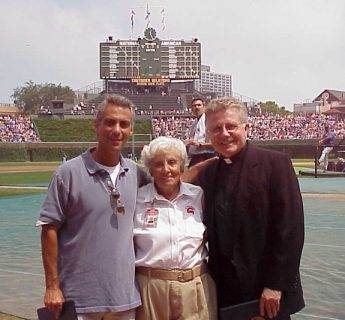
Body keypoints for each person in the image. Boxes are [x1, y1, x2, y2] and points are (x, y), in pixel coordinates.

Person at [37, 95, 149, 320]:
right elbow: (49, 229)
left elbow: (171, 183)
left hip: (124, 299)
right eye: (110, 122)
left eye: (124, 124)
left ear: (131, 130)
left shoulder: (137, 174)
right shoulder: (67, 173)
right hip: (78, 300)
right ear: (96, 125)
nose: (117, 129)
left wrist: (208, 164)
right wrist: (52, 286)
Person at [191, 97, 305, 319]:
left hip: (265, 291)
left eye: (231, 126)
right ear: (208, 134)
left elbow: (290, 229)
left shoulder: (275, 164)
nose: (224, 134)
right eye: (216, 129)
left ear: (246, 127)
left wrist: (275, 285)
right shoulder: (208, 173)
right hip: (224, 290)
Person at [133, 136, 217, 320]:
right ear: (150, 169)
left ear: (181, 166)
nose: (166, 170)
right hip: (150, 289)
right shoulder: (137, 199)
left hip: (195, 286)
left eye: (172, 162)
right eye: (158, 164)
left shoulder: (198, 196)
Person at [185, 98, 215, 167]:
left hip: (208, 155)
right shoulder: (194, 124)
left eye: (199, 105)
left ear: (204, 107)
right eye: (194, 106)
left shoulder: (209, 121)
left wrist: (200, 144)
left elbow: (216, 143)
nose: (197, 107)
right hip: (196, 155)